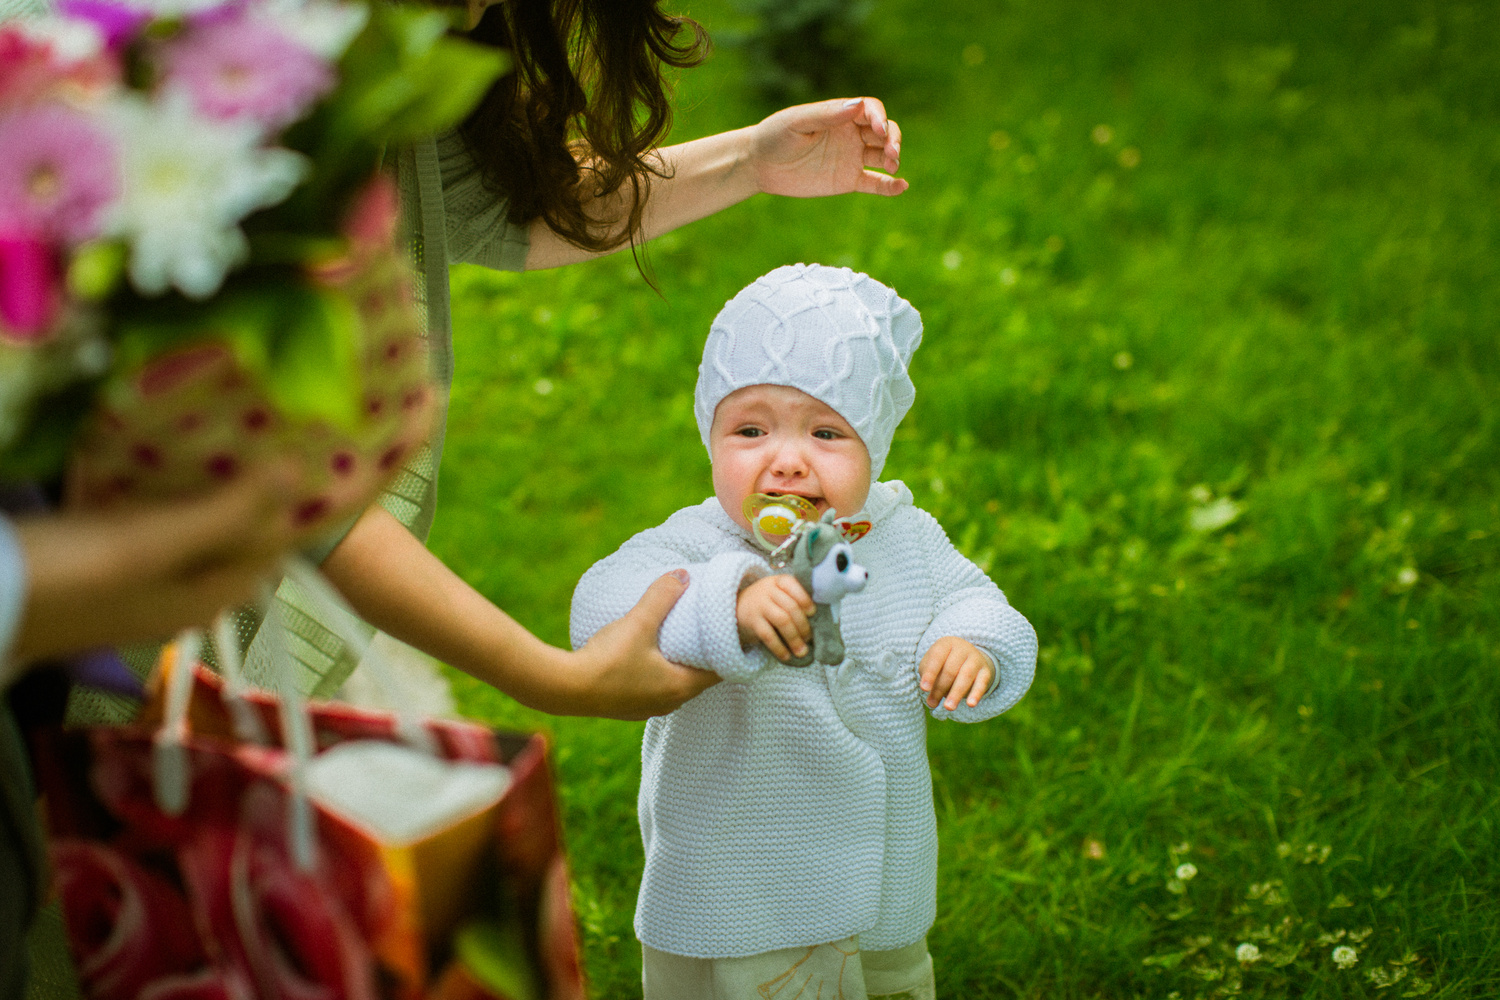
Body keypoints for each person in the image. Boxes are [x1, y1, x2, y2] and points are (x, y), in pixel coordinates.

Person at [254, 0, 911, 719]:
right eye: (752, 430)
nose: (484, 11)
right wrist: (554, 677)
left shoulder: (383, 50)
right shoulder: (251, 74)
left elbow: (504, 207)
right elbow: (290, 481)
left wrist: (750, 159)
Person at [568, 264, 1038, 999]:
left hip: (879, 889)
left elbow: (977, 601)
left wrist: (971, 643)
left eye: (826, 432)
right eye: (750, 430)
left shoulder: (901, 537)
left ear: (874, 449)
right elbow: (599, 607)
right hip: (736, 889)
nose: (786, 458)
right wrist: (726, 604)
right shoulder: (697, 545)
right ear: (711, 436)